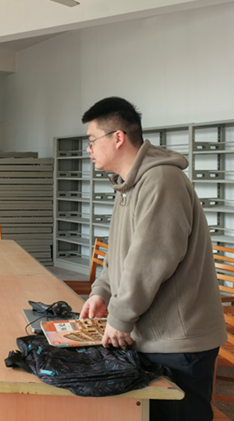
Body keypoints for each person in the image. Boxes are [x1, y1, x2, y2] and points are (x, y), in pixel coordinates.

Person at [78, 97, 227, 421]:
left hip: (179, 342)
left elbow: (152, 261)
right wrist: (102, 292)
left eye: (92, 140)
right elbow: (121, 255)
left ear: (118, 137)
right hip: (152, 336)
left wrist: (120, 316)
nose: (88, 150)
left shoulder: (162, 181)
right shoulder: (128, 186)